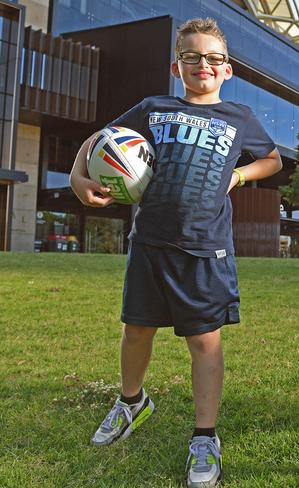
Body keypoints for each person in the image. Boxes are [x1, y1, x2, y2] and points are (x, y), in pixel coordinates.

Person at [69, 17, 282, 488]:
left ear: (227, 70)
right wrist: (78, 178)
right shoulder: (153, 107)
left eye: (213, 58)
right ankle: (131, 402)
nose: (202, 64)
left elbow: (272, 159)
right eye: (192, 57)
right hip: (149, 242)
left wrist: (239, 176)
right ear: (176, 65)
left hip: (206, 251)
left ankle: (205, 436)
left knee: (204, 343)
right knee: (136, 331)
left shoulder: (239, 117)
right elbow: (95, 140)